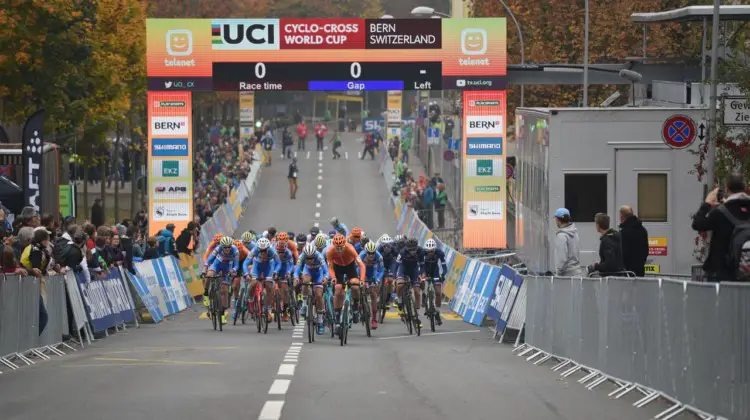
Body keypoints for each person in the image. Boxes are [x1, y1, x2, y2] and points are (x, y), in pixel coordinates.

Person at [692, 173, 750, 282]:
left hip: (722, 273)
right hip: (746, 272)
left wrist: (707, 203)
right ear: (744, 188)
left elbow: (697, 224)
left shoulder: (720, 213)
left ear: (727, 188)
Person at [326, 234, 366, 332]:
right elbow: (330, 267)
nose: (339, 250)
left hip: (350, 266)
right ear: (334, 246)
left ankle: (356, 306)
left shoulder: (350, 248)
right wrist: (333, 277)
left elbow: (362, 265)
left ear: (345, 245)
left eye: (341, 248)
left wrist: (362, 280)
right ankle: (337, 317)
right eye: (337, 248)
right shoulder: (329, 251)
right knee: (338, 289)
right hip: (338, 268)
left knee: (355, 285)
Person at [243, 237, 282, 321]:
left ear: (268, 248)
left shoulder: (273, 251)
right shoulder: (254, 250)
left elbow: (279, 263)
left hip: (269, 267)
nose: (263, 252)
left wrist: (275, 272)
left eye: (265, 250)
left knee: (269, 286)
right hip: (257, 267)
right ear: (258, 248)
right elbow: (245, 263)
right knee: (253, 283)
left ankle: (268, 310)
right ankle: (251, 300)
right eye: (261, 250)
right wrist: (246, 274)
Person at [203, 236, 240, 324]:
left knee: (225, 290)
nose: (227, 249)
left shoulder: (235, 251)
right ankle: (206, 294)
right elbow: (209, 260)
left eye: (228, 247)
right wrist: (205, 269)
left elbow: (236, 265)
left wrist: (233, 270)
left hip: (228, 267)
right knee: (209, 275)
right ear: (222, 246)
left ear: (231, 246)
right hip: (217, 264)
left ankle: (222, 315)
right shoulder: (218, 248)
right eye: (225, 247)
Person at [295, 243, 330, 334]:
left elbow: (326, 270)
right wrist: (296, 278)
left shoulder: (319, 256)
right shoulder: (302, 256)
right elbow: (297, 269)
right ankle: (304, 305)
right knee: (305, 281)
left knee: (318, 295)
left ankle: (320, 321)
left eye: (312, 258)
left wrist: (326, 278)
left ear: (315, 255)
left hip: (319, 273)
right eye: (308, 258)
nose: (310, 260)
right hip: (308, 271)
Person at [395, 238, 424, 327]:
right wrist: (394, 278)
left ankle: (417, 315)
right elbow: (396, 265)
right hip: (403, 269)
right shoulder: (402, 252)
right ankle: (399, 301)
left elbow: (422, 265)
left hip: (414, 270)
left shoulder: (421, 251)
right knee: (400, 284)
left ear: (417, 247)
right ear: (407, 248)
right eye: (410, 249)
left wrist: (420, 274)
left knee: (417, 292)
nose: (412, 251)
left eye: (414, 249)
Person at [359, 241, 383, 330]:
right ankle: (360, 304)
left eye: (373, 253)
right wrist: (361, 279)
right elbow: (357, 268)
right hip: (363, 271)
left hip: (373, 272)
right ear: (366, 251)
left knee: (373, 293)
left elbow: (381, 270)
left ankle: (374, 319)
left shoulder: (379, 257)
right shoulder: (361, 255)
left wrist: (377, 279)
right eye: (369, 253)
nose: (371, 255)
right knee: (360, 287)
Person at [618, 206, 649, 277]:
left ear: (622, 217)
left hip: (627, 272)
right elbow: (646, 250)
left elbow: (623, 253)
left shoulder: (623, 233)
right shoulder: (643, 230)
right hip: (640, 270)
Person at [421, 238, 446, 325]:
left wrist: (443, 275)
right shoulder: (422, 253)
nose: (430, 253)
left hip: (435, 272)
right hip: (425, 270)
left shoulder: (440, 253)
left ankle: (437, 312)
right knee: (422, 278)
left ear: (435, 250)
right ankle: (424, 294)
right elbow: (420, 266)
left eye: (432, 251)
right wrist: (421, 276)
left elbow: (444, 266)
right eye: (428, 251)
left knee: (438, 293)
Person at [553, 208, 583, 276]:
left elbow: (562, 259)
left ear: (558, 220)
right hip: (577, 274)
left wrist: (558, 273)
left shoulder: (561, 236)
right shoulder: (575, 233)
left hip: (566, 276)